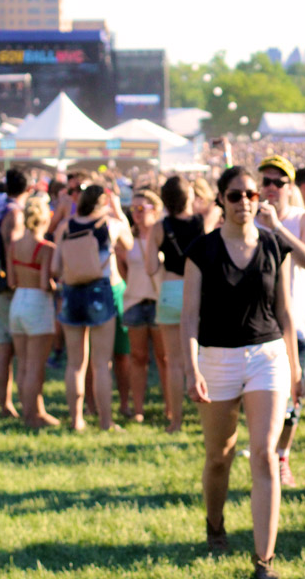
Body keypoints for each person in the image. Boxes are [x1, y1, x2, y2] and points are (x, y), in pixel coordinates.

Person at [182, 166, 301, 579]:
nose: (245, 202)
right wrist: (191, 366)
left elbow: (284, 311)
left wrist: (295, 363)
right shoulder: (202, 250)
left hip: (267, 355)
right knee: (220, 456)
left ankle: (263, 560)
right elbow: (190, 317)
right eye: (235, 196)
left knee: (266, 455)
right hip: (216, 357)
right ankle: (215, 526)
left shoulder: (273, 244)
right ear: (221, 200)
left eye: (251, 195)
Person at [256, 154, 305, 488]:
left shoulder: (303, 220)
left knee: (293, 395)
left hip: (296, 322)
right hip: (256, 324)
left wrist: (277, 229)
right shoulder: (248, 219)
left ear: (290, 187)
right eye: (265, 182)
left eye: (278, 183)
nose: (271, 188)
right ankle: (264, 453)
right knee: (263, 395)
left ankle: (281, 455)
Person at [51, 184, 133, 431]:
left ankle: (77, 420)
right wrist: (119, 212)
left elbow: (55, 268)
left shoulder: (66, 226)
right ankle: (106, 422)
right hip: (100, 291)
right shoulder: (110, 225)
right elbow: (128, 245)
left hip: (72, 293)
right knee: (100, 364)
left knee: (75, 363)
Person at [146, 175, 204, 433]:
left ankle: (175, 420)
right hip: (197, 292)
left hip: (169, 291)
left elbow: (150, 267)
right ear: (189, 196)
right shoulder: (203, 222)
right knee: (202, 359)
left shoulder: (160, 227)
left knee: (174, 362)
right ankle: (206, 417)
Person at [7, 194, 60, 428]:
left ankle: (34, 411)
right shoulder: (46, 248)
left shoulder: (14, 245)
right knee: (36, 367)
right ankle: (32, 416)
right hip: (37, 304)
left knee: (24, 363)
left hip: (17, 302)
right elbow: (44, 284)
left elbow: (11, 280)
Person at [0, 169, 30, 418]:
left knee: (3, 347)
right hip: (7, 286)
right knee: (21, 349)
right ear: (28, 190)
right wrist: (14, 280)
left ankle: (6, 405)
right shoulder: (14, 212)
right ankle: (26, 404)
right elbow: (12, 246)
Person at [120, 189, 167, 423]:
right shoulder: (128, 238)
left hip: (160, 301)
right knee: (137, 358)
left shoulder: (163, 236)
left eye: (141, 208)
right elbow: (122, 267)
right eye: (133, 209)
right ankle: (137, 408)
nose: (136, 214)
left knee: (165, 358)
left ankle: (170, 407)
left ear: (155, 210)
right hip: (135, 301)